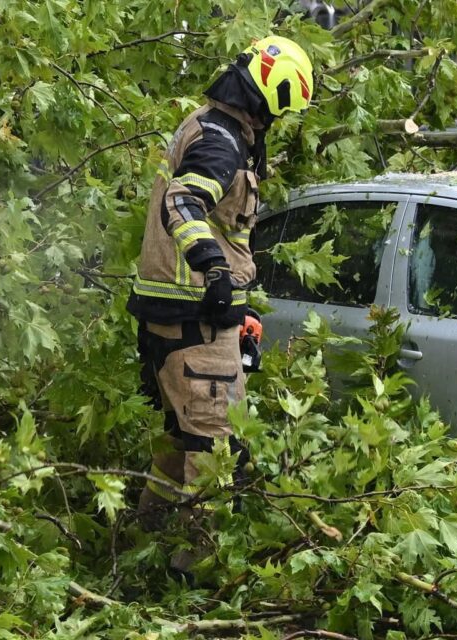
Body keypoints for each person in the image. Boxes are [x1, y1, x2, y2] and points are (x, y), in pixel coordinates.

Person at [128, 36, 313, 572]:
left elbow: (225, 230)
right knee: (215, 457)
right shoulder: (222, 142)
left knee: (180, 445)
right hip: (196, 320)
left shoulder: (206, 125)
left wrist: (238, 300)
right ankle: (195, 578)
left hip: (178, 314)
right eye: (284, 109)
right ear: (273, 95)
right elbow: (183, 203)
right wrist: (212, 268)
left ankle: (141, 554)